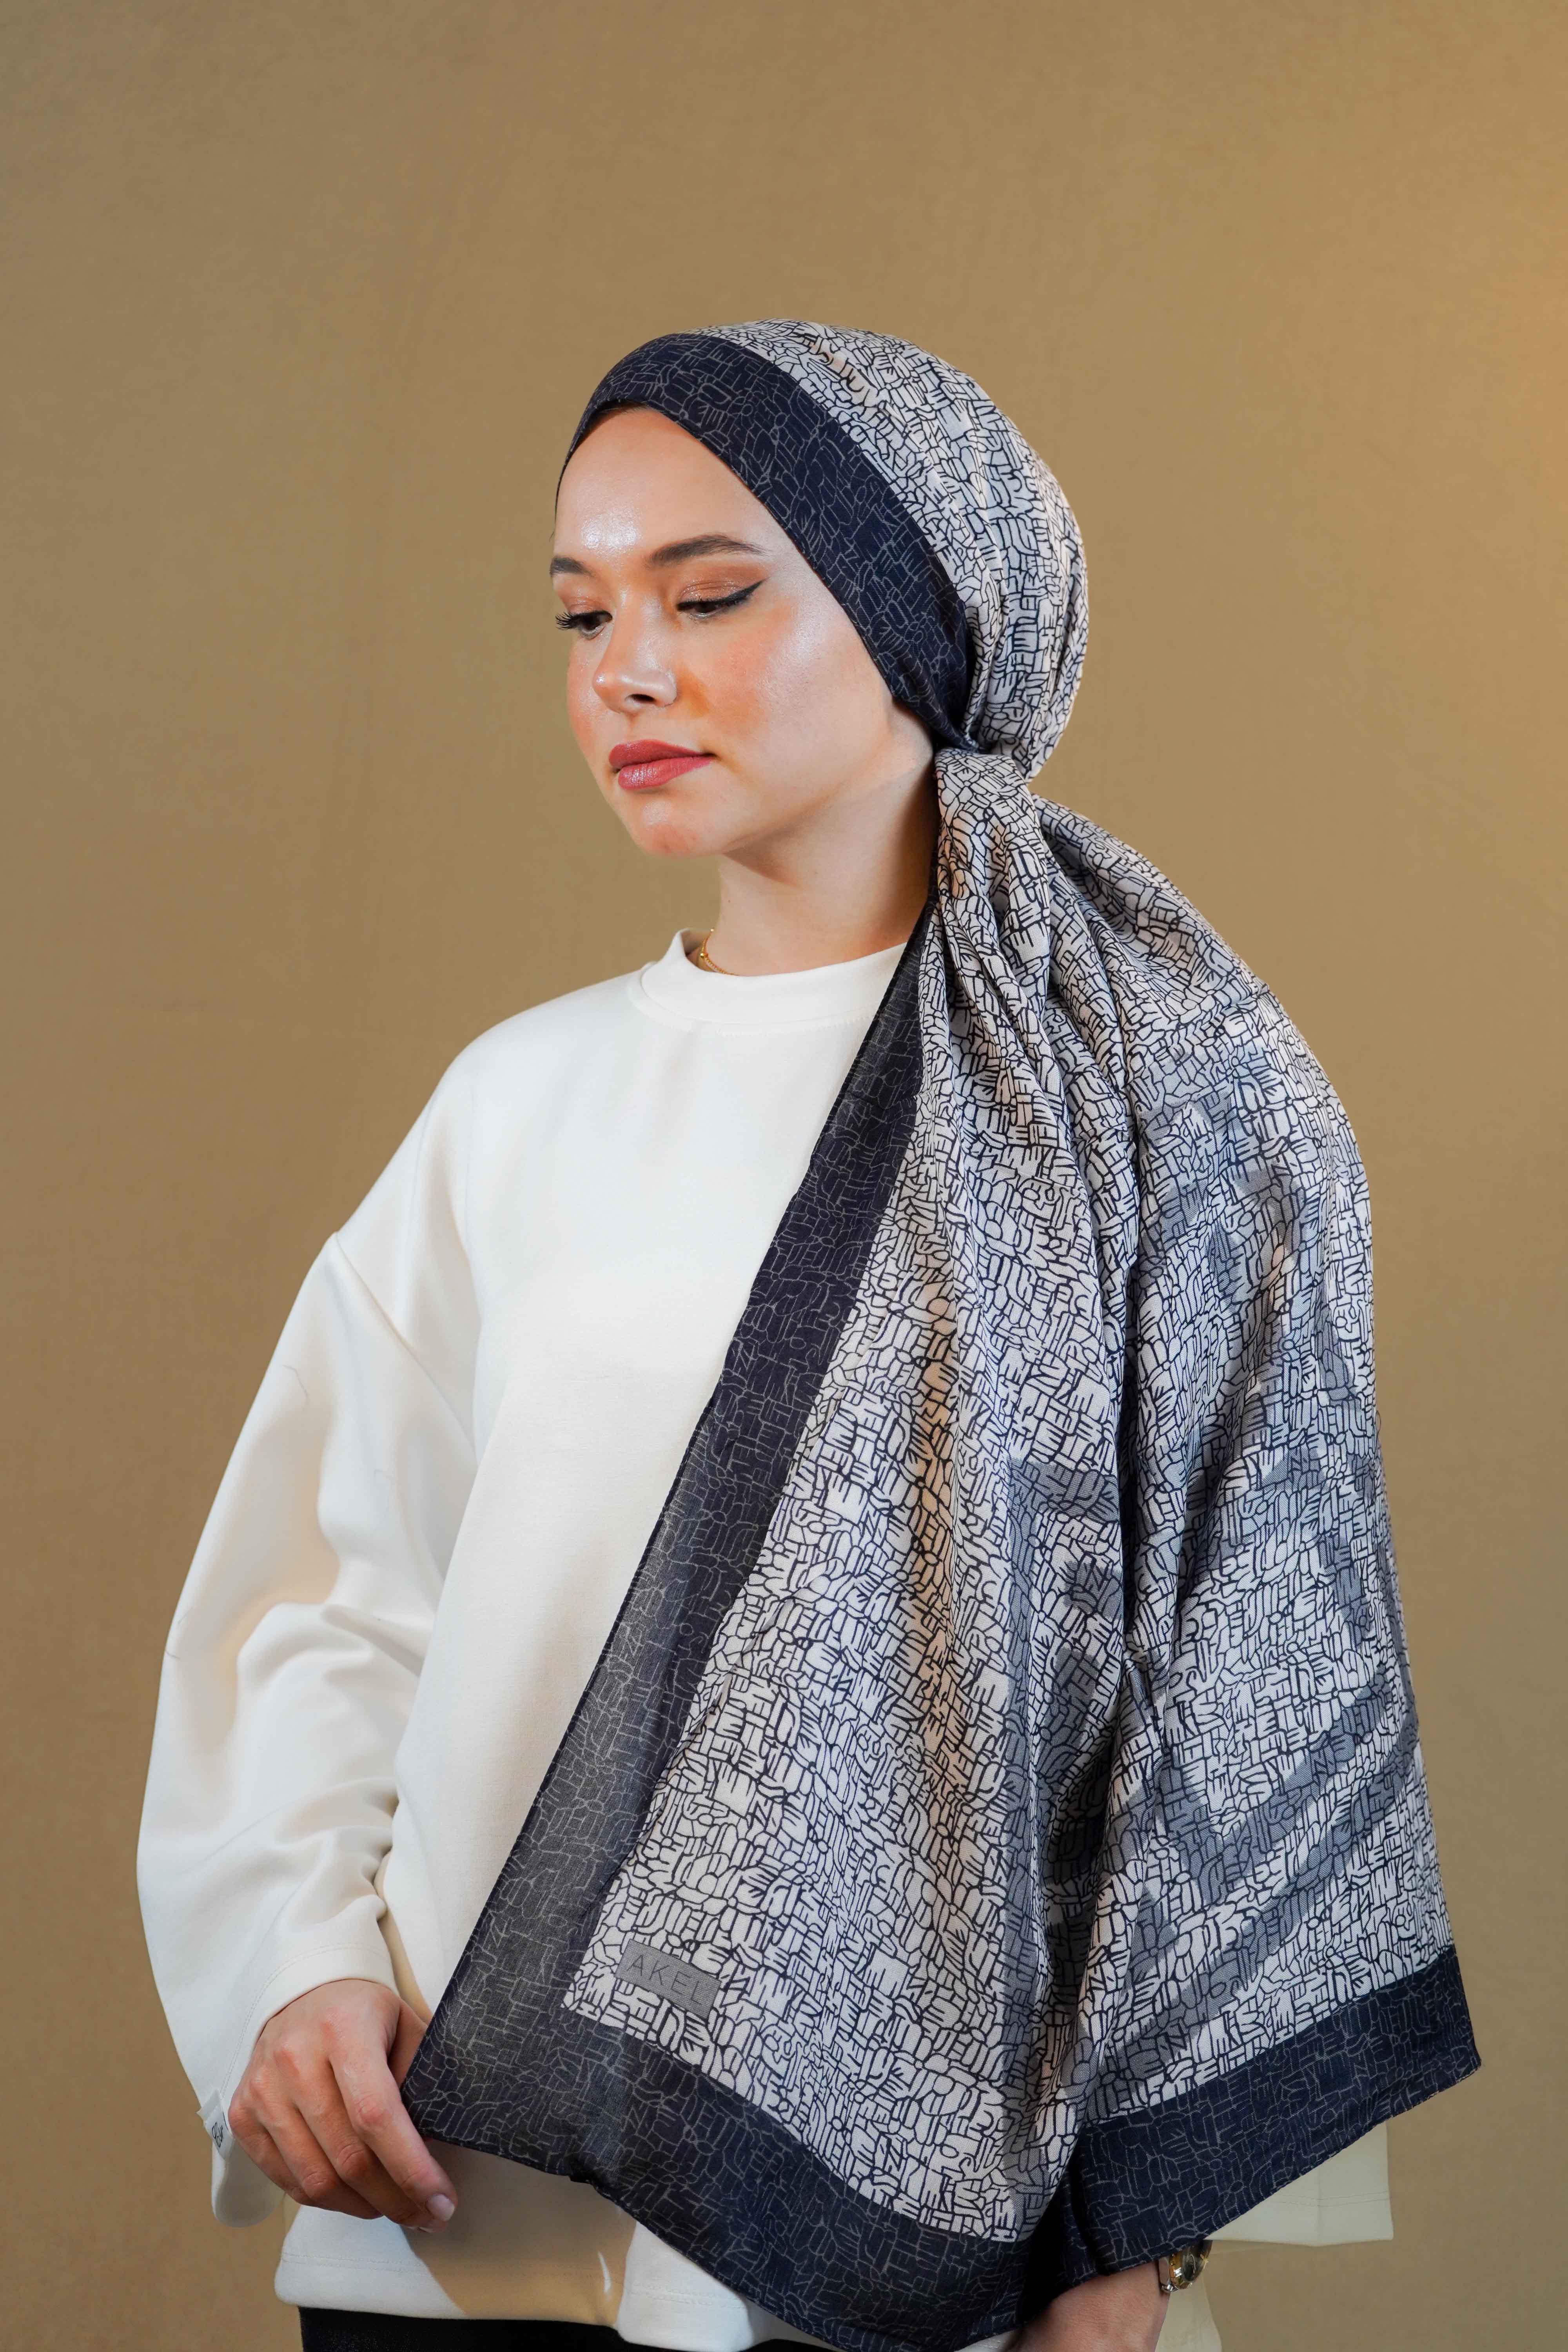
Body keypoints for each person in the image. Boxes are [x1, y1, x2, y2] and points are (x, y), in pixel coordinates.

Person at [138, 322, 1478, 2352]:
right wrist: (293, 1968)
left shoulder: (1171, 1100)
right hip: (462, 2191)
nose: (627, 669)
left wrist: (1132, 2255)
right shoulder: (518, 1103)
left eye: (709, 596)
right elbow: (334, 1595)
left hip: (947, 2259)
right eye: (582, 611)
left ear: (929, 616)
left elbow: (1243, 1685)